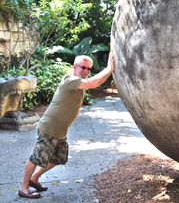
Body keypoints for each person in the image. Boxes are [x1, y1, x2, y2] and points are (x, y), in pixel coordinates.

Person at [18, 52, 115, 199]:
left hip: (60, 131)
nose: (87, 71)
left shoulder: (78, 82)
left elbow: (90, 83)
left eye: (89, 69)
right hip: (49, 128)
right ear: (74, 67)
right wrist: (109, 68)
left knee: (59, 159)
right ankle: (23, 188)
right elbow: (94, 83)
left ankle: (34, 178)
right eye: (83, 67)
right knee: (36, 158)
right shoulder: (71, 80)